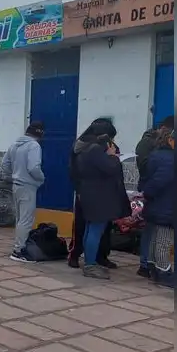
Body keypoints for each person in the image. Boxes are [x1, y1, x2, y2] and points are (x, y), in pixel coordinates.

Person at [75, 129, 132, 279]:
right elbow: (111, 168)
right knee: (95, 229)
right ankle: (90, 265)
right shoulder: (95, 150)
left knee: (90, 228)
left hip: (89, 194)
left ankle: (90, 262)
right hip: (98, 197)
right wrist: (113, 156)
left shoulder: (84, 149)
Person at [68, 119, 119, 268]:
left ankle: (97, 257)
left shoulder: (87, 146)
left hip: (90, 191)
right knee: (86, 227)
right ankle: (82, 257)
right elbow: (74, 170)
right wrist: (112, 157)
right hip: (93, 192)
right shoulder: (91, 147)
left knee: (94, 227)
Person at [1, 122, 46, 262]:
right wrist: (41, 178)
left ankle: (19, 246)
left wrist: (13, 176)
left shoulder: (14, 145)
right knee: (26, 220)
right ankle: (19, 251)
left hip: (16, 185)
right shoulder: (34, 146)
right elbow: (33, 167)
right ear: (40, 134)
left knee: (20, 219)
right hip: (28, 186)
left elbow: (4, 165)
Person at [135, 115, 174, 277]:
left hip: (156, 200)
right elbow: (159, 178)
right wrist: (147, 192)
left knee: (154, 235)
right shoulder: (168, 157)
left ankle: (149, 265)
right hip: (164, 202)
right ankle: (160, 270)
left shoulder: (156, 152)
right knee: (162, 238)